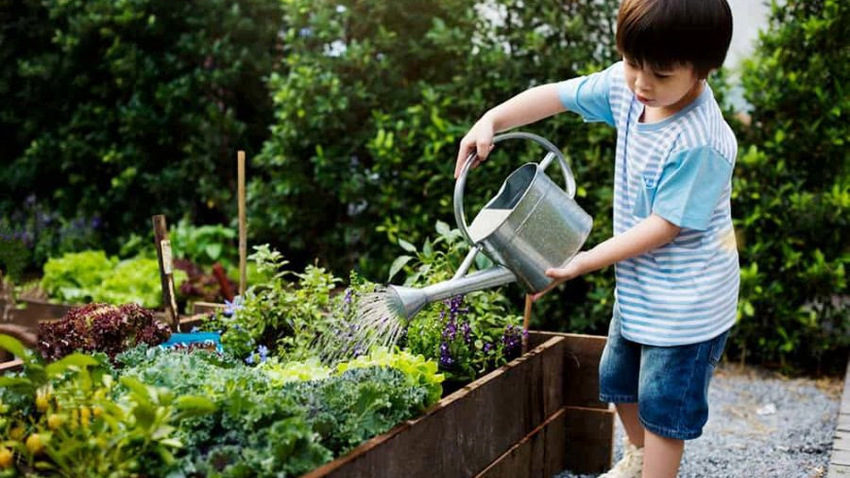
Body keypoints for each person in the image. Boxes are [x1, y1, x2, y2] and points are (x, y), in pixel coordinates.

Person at [454, 0, 737, 476]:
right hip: (642, 287)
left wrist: (585, 260)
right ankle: (639, 458)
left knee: (663, 407)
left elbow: (664, 226)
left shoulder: (701, 141)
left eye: (661, 74)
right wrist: (493, 120)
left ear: (704, 69)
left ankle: (656, 467)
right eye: (632, 64)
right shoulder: (631, 90)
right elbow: (557, 96)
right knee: (618, 378)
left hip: (689, 303)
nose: (642, 84)